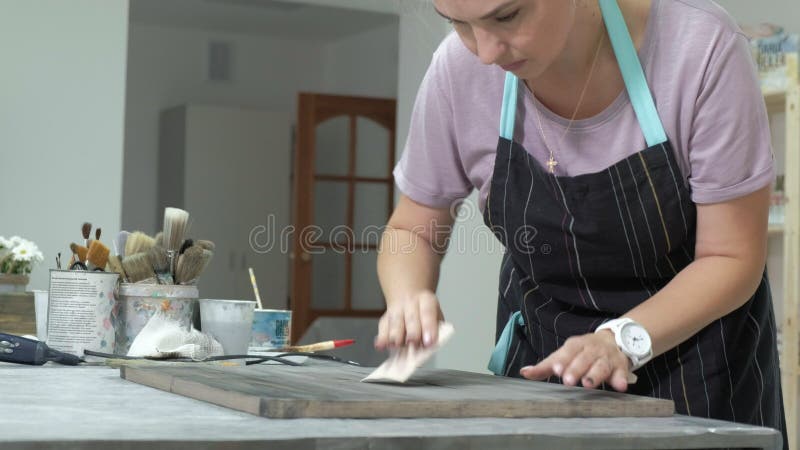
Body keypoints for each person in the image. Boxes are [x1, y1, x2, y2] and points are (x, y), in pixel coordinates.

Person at [374, 0, 787, 443]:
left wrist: (620, 341)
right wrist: (408, 295)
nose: (486, 53)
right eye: (459, 24)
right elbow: (411, 229)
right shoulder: (458, 71)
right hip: (544, 378)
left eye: (508, 16)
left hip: (702, 378)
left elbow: (731, 257)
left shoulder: (700, 47)